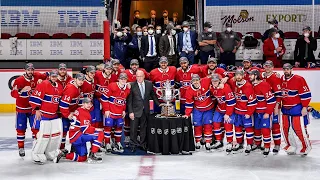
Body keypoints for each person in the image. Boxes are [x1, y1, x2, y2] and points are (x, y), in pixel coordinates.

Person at [10, 63, 47, 157]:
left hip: (33, 109)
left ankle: (36, 148)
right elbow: (13, 94)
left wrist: (43, 80)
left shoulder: (38, 75)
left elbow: (49, 74)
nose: (30, 71)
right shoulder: (19, 80)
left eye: (32, 69)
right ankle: (21, 148)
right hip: (21, 109)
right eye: (28, 70)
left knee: (36, 129)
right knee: (20, 129)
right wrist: (21, 90)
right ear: (25, 70)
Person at [54, 98, 105, 163]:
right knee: (100, 134)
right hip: (78, 136)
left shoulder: (79, 110)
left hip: (74, 137)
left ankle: (64, 155)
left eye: (90, 104)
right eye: (87, 103)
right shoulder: (83, 112)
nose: (89, 105)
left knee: (82, 158)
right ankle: (92, 154)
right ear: (83, 104)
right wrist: (95, 129)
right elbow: (85, 129)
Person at [29, 70, 63, 165]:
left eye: (55, 76)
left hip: (53, 115)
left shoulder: (59, 86)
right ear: (49, 76)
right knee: (42, 136)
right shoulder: (44, 84)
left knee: (54, 136)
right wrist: (36, 109)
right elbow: (35, 97)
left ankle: (50, 153)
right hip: (43, 115)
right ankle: (37, 154)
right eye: (52, 76)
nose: (54, 77)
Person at [281, 63, 312, 156]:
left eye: (288, 69)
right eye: (284, 69)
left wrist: (304, 107)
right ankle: (291, 146)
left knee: (299, 128)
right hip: (285, 107)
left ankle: (305, 146)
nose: (286, 71)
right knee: (286, 128)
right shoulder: (281, 79)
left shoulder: (299, 79)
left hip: (296, 107)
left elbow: (306, 95)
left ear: (291, 69)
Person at [127, 70, 161, 152]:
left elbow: (153, 95)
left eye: (140, 76)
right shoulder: (131, 85)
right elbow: (129, 101)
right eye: (137, 76)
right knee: (133, 129)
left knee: (144, 128)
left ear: (144, 76)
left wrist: (159, 104)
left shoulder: (149, 84)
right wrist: (130, 112)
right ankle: (133, 145)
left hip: (145, 110)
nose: (139, 78)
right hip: (135, 111)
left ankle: (143, 144)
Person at [248, 70, 276, 157]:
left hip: (264, 112)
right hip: (256, 112)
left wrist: (268, 112)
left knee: (265, 129)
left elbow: (271, 100)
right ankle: (257, 144)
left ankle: (267, 146)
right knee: (256, 129)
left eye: (251, 75)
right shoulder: (252, 85)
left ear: (256, 76)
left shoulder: (263, 85)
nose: (249, 77)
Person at [101, 73, 131, 153]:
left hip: (119, 112)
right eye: (121, 79)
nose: (123, 80)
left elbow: (124, 101)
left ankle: (118, 142)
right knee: (108, 127)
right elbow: (104, 99)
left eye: (124, 79)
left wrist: (124, 110)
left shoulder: (127, 89)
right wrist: (106, 109)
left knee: (119, 127)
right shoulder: (112, 86)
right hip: (110, 111)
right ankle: (107, 143)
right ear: (118, 79)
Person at [183, 75, 213, 151]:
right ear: (191, 82)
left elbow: (215, 76)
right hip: (197, 109)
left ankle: (208, 141)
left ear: (200, 80)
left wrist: (223, 80)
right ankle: (198, 141)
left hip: (208, 108)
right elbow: (189, 103)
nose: (195, 82)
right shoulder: (189, 90)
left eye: (197, 80)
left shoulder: (205, 81)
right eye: (194, 81)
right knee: (197, 125)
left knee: (208, 125)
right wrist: (187, 114)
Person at [232, 69, 257, 155]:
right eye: (237, 75)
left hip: (246, 112)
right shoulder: (234, 84)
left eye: (240, 75)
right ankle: (239, 143)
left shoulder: (248, 86)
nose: (238, 77)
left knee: (248, 128)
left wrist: (249, 113)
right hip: (237, 112)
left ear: (243, 76)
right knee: (238, 128)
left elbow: (253, 102)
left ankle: (249, 144)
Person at [59, 73, 84, 153]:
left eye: (82, 80)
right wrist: (67, 114)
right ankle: (61, 148)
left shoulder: (78, 87)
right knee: (65, 130)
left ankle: (74, 147)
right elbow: (63, 104)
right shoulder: (71, 89)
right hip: (67, 113)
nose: (81, 82)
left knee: (75, 129)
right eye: (79, 80)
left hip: (73, 112)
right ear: (75, 79)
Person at [210, 74, 236, 154]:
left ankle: (229, 142)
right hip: (220, 108)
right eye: (213, 81)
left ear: (219, 81)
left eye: (216, 81)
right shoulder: (211, 88)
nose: (214, 82)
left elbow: (232, 102)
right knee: (215, 123)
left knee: (227, 125)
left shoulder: (225, 87)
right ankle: (219, 141)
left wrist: (228, 114)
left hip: (228, 108)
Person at [262, 60, 282, 154]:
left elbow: (278, 94)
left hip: (274, 105)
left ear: (273, 67)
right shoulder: (262, 76)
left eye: (270, 66)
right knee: (265, 125)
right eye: (266, 66)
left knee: (275, 125)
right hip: (264, 105)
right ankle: (266, 144)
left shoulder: (275, 77)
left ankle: (277, 144)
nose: (268, 68)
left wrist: (277, 106)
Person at [94, 63, 118, 128]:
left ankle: (107, 134)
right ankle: (98, 133)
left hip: (108, 99)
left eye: (110, 69)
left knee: (108, 116)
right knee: (97, 117)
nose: (108, 71)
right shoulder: (97, 74)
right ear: (104, 69)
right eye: (107, 69)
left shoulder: (114, 77)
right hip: (98, 98)